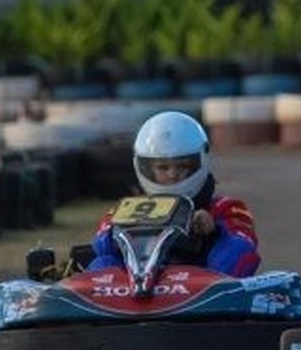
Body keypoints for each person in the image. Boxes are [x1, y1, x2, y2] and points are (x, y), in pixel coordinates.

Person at [88, 111, 260, 277]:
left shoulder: (227, 207)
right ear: (144, 167)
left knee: (237, 249)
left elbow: (244, 240)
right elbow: (101, 245)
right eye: (163, 167)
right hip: (138, 287)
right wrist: (120, 231)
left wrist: (214, 229)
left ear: (201, 161)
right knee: (102, 263)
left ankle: (219, 291)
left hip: (199, 283)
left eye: (182, 166)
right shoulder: (128, 210)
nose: (172, 174)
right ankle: (104, 305)